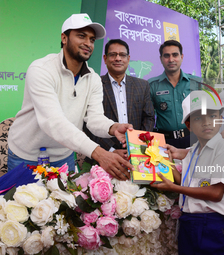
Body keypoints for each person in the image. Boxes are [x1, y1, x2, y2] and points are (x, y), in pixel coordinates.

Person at [7, 13, 134, 180]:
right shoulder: (41, 69)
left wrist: (112, 127)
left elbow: (94, 118)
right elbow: (53, 122)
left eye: (92, 39)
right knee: (22, 205)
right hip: (25, 155)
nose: (88, 43)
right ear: (64, 38)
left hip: (63, 156)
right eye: (82, 36)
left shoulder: (94, 79)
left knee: (61, 206)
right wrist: (99, 153)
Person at [152, 90, 224, 255]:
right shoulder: (194, 151)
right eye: (198, 118)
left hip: (212, 224)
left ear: (221, 119)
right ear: (189, 125)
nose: (207, 122)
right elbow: (184, 182)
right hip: (189, 222)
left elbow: (215, 193)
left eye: (212, 116)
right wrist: (164, 161)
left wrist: (173, 188)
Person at [84, 39, 154, 159]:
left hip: (137, 154)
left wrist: (137, 145)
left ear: (128, 59)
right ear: (105, 59)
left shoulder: (142, 85)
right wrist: (111, 150)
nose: (118, 58)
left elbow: (149, 118)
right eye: (113, 55)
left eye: (122, 55)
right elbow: (88, 122)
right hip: (104, 155)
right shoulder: (94, 84)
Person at [148, 40, 201, 148]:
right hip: (165, 142)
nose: (171, 59)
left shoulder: (197, 82)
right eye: (166, 56)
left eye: (175, 55)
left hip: (194, 138)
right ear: (161, 59)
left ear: (182, 56)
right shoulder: (151, 85)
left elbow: (209, 112)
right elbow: (147, 117)